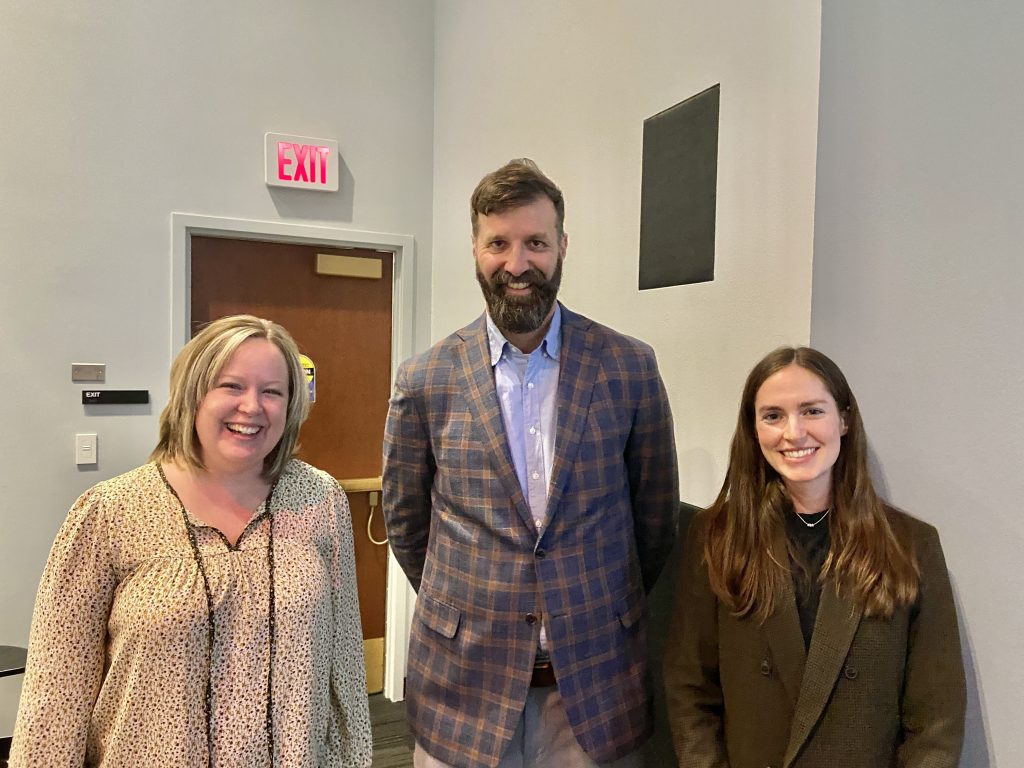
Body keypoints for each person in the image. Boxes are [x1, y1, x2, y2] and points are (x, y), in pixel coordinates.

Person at [383, 158, 679, 768]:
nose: (518, 264)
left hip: (593, 688)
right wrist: (470, 606)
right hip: (463, 686)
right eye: (499, 243)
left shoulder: (628, 367)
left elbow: (654, 521)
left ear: (562, 245)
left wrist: (591, 601)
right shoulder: (424, 379)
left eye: (536, 243)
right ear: (475, 248)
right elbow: (408, 525)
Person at [11, 315, 372, 767]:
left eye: (273, 391)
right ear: (193, 396)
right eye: (231, 386)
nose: (252, 406)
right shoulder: (109, 511)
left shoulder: (321, 498)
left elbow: (344, 665)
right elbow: (56, 691)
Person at [663, 346, 965, 768]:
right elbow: (690, 687)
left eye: (812, 411)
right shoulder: (716, 536)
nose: (794, 433)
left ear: (843, 419)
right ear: (753, 430)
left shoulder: (910, 543)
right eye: (773, 416)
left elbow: (936, 719)